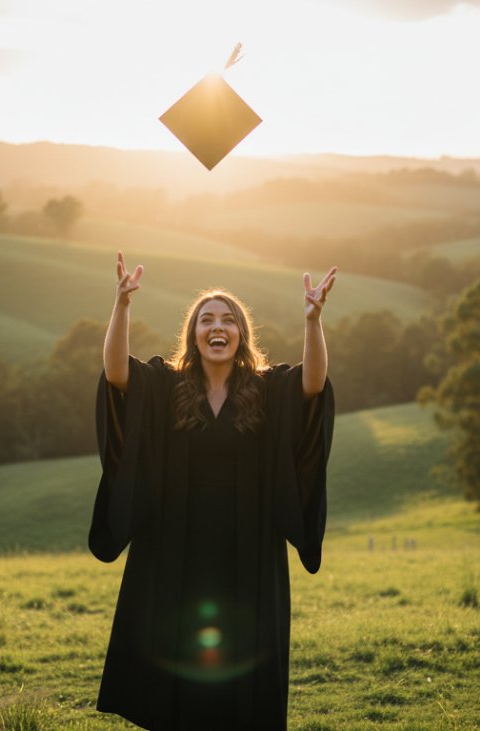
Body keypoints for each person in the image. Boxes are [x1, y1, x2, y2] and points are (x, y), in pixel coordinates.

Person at [90, 252, 337, 730]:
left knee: (244, 666)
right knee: (175, 662)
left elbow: (314, 386)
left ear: (241, 334)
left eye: (228, 319)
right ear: (194, 335)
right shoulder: (166, 384)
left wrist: (313, 320)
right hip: (174, 548)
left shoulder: (266, 389)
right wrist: (121, 306)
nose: (217, 326)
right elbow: (117, 374)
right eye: (207, 319)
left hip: (248, 552)